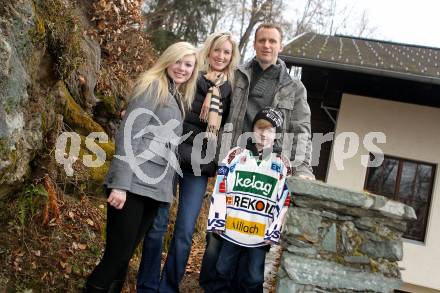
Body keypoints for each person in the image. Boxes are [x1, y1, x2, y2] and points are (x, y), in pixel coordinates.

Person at [199, 23, 315, 291]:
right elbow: (211, 82)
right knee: (219, 235)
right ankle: (210, 286)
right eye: (262, 40)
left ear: (280, 46)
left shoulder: (294, 87)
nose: (267, 45)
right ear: (254, 44)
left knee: (254, 239)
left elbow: (302, 130)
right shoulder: (237, 75)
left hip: (267, 172)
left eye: (272, 41)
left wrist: (303, 167)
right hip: (235, 163)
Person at [85, 41, 199, 293]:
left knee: (124, 258)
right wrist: (120, 184)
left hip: (153, 189)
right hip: (132, 185)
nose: (182, 68)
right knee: (115, 257)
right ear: (167, 59)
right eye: (178, 61)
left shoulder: (176, 96)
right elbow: (129, 134)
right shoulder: (152, 86)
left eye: (188, 64)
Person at [136, 32, 240, 293]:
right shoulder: (190, 74)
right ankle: (147, 285)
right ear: (209, 50)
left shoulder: (232, 90)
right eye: (217, 50)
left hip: (200, 164)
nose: (221, 56)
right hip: (170, 155)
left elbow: (230, 129)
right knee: (157, 224)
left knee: (184, 231)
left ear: (232, 57)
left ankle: (169, 287)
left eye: (226, 52)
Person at [207, 107, 292, 293]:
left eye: (270, 130)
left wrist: (274, 231)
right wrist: (217, 219)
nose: (264, 134)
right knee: (222, 269)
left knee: (254, 277)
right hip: (231, 227)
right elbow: (220, 188)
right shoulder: (235, 155)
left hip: (260, 234)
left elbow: (283, 200)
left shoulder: (282, 164)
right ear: (252, 129)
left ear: (276, 134)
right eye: (260, 128)